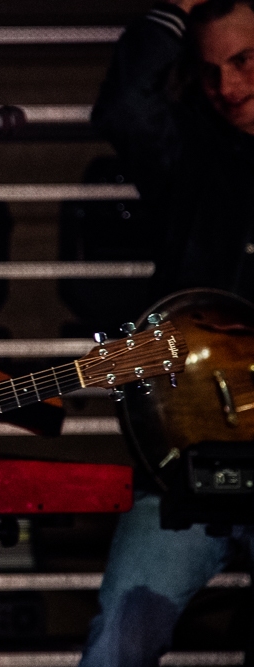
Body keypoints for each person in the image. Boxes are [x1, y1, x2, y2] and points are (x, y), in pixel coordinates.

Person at [80, 1, 254, 665]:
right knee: (120, 635)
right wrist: (174, 8)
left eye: (244, 61)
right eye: (210, 71)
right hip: (191, 457)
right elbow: (126, 108)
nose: (228, 87)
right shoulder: (196, 155)